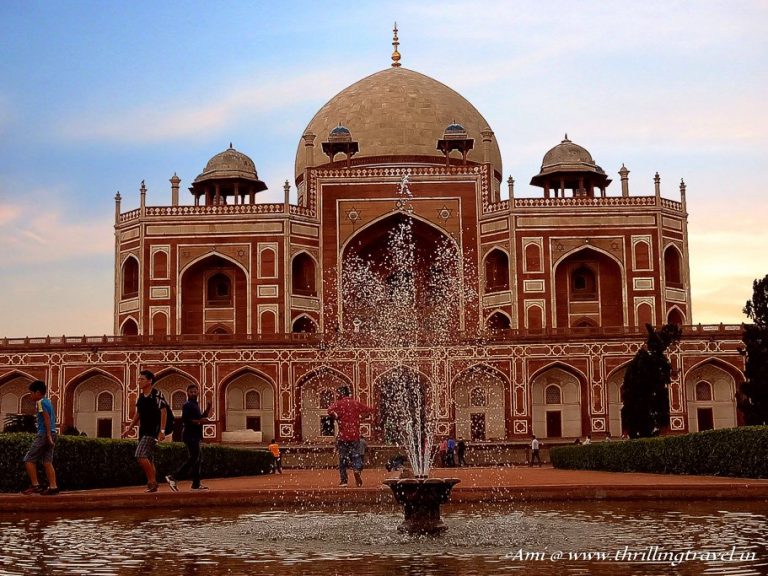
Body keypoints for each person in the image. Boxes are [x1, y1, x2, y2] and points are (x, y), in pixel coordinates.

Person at [121, 370, 168, 492]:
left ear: (149, 380)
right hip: (143, 431)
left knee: (140, 455)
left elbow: (164, 412)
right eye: (139, 379)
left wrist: (162, 431)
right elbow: (138, 414)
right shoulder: (141, 397)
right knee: (149, 458)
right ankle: (153, 485)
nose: (139, 382)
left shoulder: (157, 394)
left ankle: (151, 482)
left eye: (141, 379)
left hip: (153, 431)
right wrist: (129, 429)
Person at [166, 384, 210, 491]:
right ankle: (174, 477)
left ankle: (196, 485)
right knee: (194, 457)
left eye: (195, 392)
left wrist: (208, 408)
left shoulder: (195, 405)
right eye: (191, 392)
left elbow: (201, 418)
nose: (194, 393)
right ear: (188, 393)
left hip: (196, 435)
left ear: (198, 392)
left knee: (198, 459)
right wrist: (200, 421)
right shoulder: (187, 405)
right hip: (189, 435)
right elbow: (185, 420)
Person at [327, 386, 374, 487]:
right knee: (356, 455)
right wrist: (360, 417)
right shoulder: (356, 403)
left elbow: (329, 410)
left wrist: (336, 416)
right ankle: (357, 470)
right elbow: (369, 409)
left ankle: (344, 481)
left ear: (341, 394)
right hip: (355, 435)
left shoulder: (339, 404)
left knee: (342, 458)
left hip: (343, 436)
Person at [21, 380, 59, 495]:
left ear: (38, 392)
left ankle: (35, 485)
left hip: (44, 433)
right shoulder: (48, 401)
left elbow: (46, 418)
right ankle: (53, 487)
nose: (31, 396)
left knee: (28, 459)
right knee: (47, 461)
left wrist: (47, 435)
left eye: (31, 393)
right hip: (52, 432)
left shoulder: (40, 402)